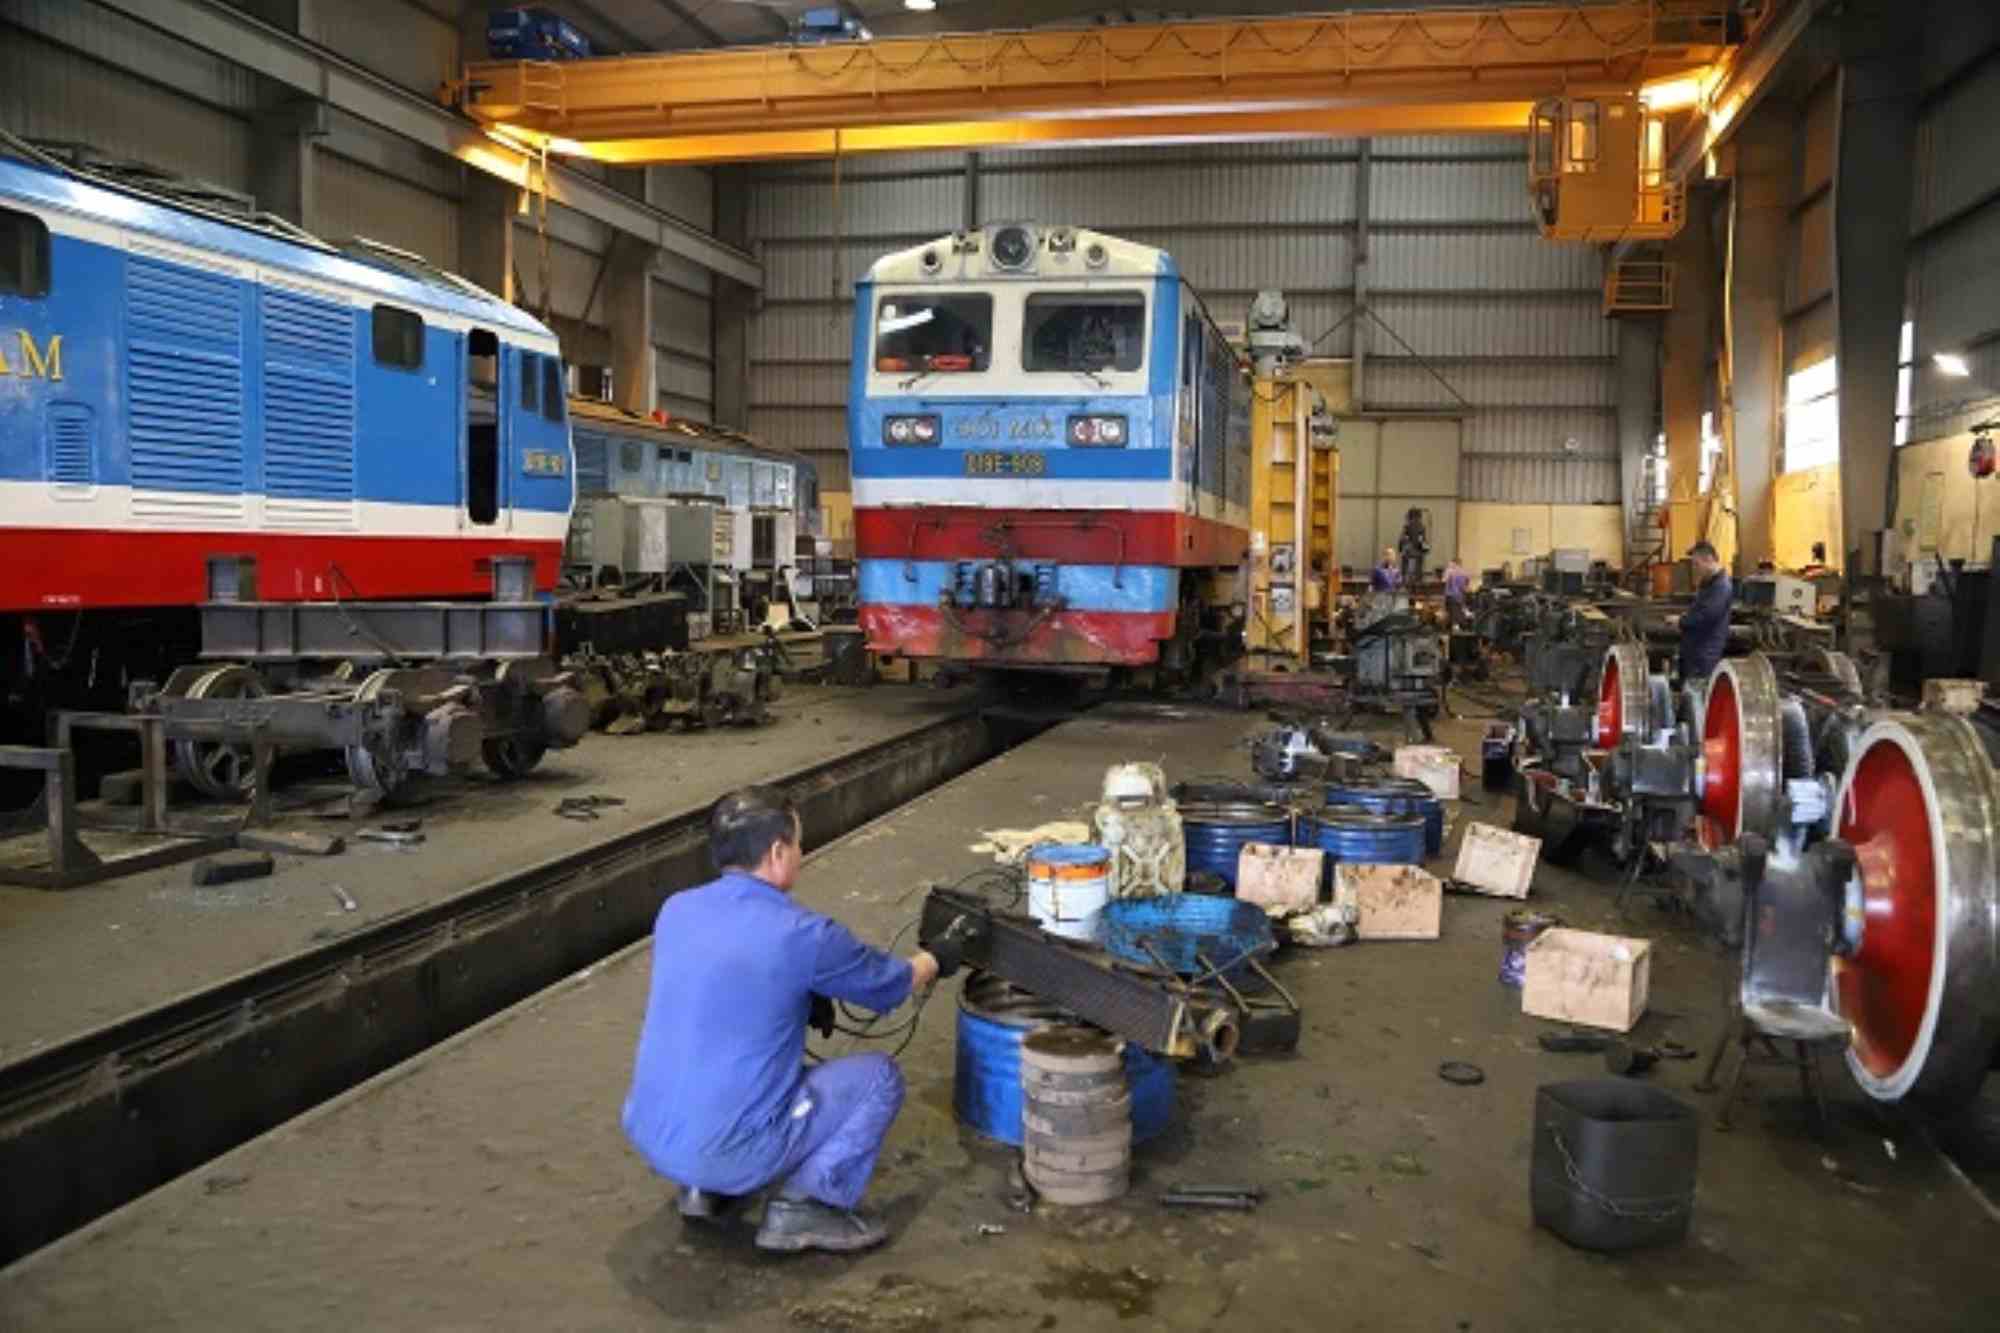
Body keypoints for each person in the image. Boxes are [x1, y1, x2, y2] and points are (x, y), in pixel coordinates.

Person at [621, 786, 967, 1254]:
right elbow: (890, 985)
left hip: (651, 1132)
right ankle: (804, 1207)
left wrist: (804, 995)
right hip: (726, 1151)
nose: (802, 854)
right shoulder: (804, 935)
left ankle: (703, 1193)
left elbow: (725, 990)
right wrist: (939, 957)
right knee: (878, 1079)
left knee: (726, 1057)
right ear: (778, 851)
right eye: (799, 844)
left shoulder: (676, 909)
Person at [1678, 540, 1733, 683]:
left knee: (1696, 696)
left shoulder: (1721, 587)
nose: (1694, 569)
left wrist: (1681, 621)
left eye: (1696, 564)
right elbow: (1700, 610)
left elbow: (1706, 616)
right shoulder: (1708, 583)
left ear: (1709, 560)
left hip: (1704, 654)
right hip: (1694, 651)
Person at [1442, 557, 1470, 624]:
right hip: (1460, 595)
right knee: (1459, 610)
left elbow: (1444, 581)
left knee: (1452, 612)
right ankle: (1462, 623)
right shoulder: (1464, 572)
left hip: (1451, 595)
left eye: (1451, 564)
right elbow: (1466, 584)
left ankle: (1455, 625)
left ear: (1455, 564)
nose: (1449, 566)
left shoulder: (1449, 571)